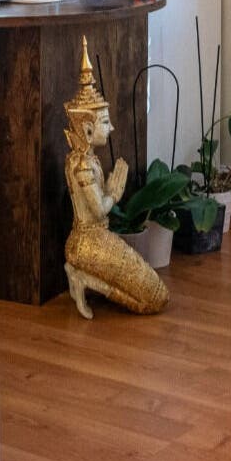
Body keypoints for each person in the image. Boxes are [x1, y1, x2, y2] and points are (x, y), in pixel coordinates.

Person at [62, 39, 167, 318]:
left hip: (96, 237)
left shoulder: (85, 160)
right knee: (153, 299)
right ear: (86, 130)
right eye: (105, 122)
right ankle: (83, 277)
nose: (111, 127)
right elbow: (98, 210)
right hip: (87, 242)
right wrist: (115, 193)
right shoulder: (82, 165)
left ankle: (81, 275)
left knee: (156, 293)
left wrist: (107, 187)